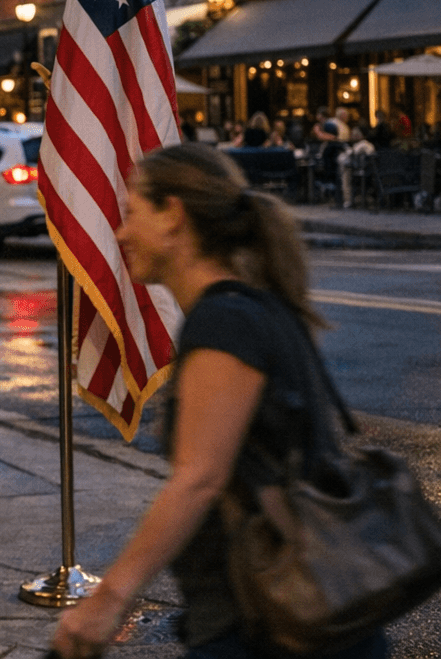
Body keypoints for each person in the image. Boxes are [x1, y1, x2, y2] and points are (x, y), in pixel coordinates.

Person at [51, 143, 387, 659]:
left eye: (131, 214)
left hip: (268, 625)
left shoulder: (225, 321)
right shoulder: (249, 309)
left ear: (173, 216)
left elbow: (199, 479)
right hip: (290, 617)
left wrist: (107, 601)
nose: (120, 233)